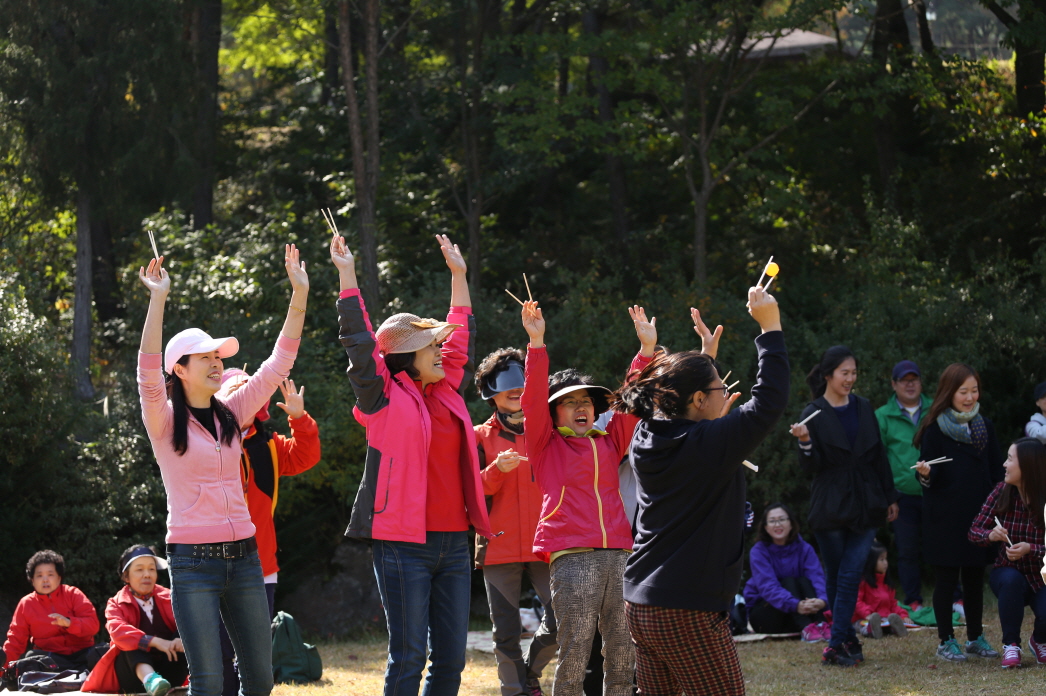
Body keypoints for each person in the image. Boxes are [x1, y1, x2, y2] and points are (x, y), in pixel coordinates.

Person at [137, 245, 308, 696]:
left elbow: (279, 363)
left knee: (261, 680)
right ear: (180, 369)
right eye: (205, 358)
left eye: (219, 356)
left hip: (246, 558)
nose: (217, 363)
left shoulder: (233, 412)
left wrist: (299, 294)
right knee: (210, 682)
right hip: (192, 564)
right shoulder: (163, 420)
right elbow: (147, 373)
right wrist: (158, 298)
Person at [331, 233, 492, 696]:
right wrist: (347, 274)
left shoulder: (445, 389)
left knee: (451, 661)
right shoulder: (381, 395)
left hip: (454, 543)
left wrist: (459, 276)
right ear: (405, 356)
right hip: (403, 545)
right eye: (430, 346)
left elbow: (461, 337)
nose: (441, 350)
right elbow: (360, 342)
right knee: (409, 658)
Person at [613, 286, 788, 696]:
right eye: (719, 388)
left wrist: (704, 360)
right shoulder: (707, 444)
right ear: (697, 399)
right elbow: (769, 401)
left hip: (640, 600)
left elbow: (673, 406)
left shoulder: (646, 435)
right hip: (686, 606)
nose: (725, 394)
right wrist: (770, 327)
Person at [519, 299, 656, 696]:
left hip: (619, 552)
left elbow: (631, 403)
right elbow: (532, 400)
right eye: (570, 402)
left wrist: (646, 352)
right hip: (572, 554)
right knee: (575, 649)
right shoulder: (545, 444)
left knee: (623, 650)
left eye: (587, 402)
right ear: (554, 413)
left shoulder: (610, 441)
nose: (581, 407)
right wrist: (537, 344)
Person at [789, 345, 899, 667]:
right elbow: (810, 467)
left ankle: (835, 643)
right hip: (831, 504)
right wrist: (805, 442)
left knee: (850, 574)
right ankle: (848, 638)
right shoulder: (813, 412)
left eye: (853, 373)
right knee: (837, 577)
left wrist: (890, 496)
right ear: (828, 375)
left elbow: (878, 455)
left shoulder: (863, 407)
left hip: (867, 501)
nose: (850, 379)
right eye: (844, 373)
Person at [216, 370, 322, 696]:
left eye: (251, 394)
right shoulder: (204, 442)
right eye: (236, 395)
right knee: (218, 654)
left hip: (261, 565)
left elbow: (305, 456)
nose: (244, 401)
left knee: (254, 653)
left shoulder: (270, 445)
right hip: (212, 564)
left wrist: (299, 418)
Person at [473, 347, 557, 696]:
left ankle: (530, 675)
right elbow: (468, 491)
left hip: (547, 543)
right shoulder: (478, 436)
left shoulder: (548, 431)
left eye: (522, 384)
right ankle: (514, 691)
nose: (516, 391)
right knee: (505, 632)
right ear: (490, 394)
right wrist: (495, 471)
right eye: (507, 386)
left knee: (563, 619)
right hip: (498, 546)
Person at [913, 362, 1004, 664]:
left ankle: (975, 637)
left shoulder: (984, 426)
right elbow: (928, 474)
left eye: (974, 390)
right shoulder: (934, 428)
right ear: (949, 392)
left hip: (980, 515)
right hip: (945, 517)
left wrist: (999, 505)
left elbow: (996, 470)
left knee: (975, 578)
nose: (969, 397)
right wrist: (926, 474)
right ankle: (945, 640)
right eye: (963, 391)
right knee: (947, 580)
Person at [969, 437, 1046, 668]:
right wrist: (991, 535)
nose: (1004, 464)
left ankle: (1040, 640)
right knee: (1011, 580)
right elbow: (974, 531)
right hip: (1008, 571)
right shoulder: (1002, 491)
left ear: (1027, 466)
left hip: (1042, 574)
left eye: (1010, 459)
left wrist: (1031, 549)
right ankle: (1011, 645)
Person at [83, 546, 188, 696]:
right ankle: (150, 679)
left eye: (151, 569)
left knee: (185, 633)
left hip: (170, 672)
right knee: (128, 640)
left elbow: (193, 623)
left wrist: (183, 640)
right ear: (126, 577)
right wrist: (155, 642)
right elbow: (117, 632)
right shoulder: (115, 603)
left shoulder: (171, 597)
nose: (147, 574)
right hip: (133, 678)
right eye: (139, 569)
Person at [874, 360, 931, 609]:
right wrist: (889, 497)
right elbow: (878, 460)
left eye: (914, 379)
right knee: (907, 551)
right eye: (904, 380)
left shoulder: (936, 409)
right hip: (902, 495)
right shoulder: (881, 415)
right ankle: (913, 600)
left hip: (935, 491)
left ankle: (955, 597)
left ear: (921, 382)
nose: (910, 384)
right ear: (893, 384)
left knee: (944, 545)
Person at [1, 550, 99, 672]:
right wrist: (2, 669)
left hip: (82, 654)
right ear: (32, 580)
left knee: (103, 652)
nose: (45, 580)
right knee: (31, 658)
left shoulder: (73, 594)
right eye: (39, 575)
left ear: (59, 577)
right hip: (51, 659)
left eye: (50, 574)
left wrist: (69, 623)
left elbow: (93, 625)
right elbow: (15, 641)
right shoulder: (26, 604)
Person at [743, 503, 829, 641]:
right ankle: (806, 626)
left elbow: (817, 577)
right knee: (788, 582)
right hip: (767, 615)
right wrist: (795, 605)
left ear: (791, 523)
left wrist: (822, 600)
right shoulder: (758, 552)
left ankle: (820, 624)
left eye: (782, 519)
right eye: (772, 521)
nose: (778, 524)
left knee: (803, 581)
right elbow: (768, 587)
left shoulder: (804, 548)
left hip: (798, 613)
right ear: (765, 527)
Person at [852, 541, 909, 639]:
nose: (885, 563)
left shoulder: (887, 584)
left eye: (886, 559)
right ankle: (871, 631)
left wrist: (903, 615)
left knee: (889, 622)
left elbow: (893, 604)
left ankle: (894, 628)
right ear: (871, 562)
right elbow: (857, 602)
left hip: (883, 619)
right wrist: (867, 614)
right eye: (881, 559)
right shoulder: (862, 582)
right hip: (863, 618)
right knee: (861, 625)